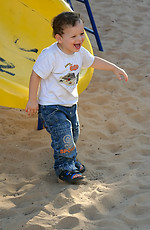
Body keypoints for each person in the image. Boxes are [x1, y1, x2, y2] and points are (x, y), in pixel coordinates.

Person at [25, 11, 128, 184]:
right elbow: (36, 75)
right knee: (64, 137)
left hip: (70, 104)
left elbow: (93, 61)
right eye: (73, 36)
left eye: (81, 33)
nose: (79, 39)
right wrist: (32, 99)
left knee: (73, 134)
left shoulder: (79, 53)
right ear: (59, 38)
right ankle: (64, 168)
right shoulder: (50, 55)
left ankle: (70, 160)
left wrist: (114, 68)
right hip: (51, 107)